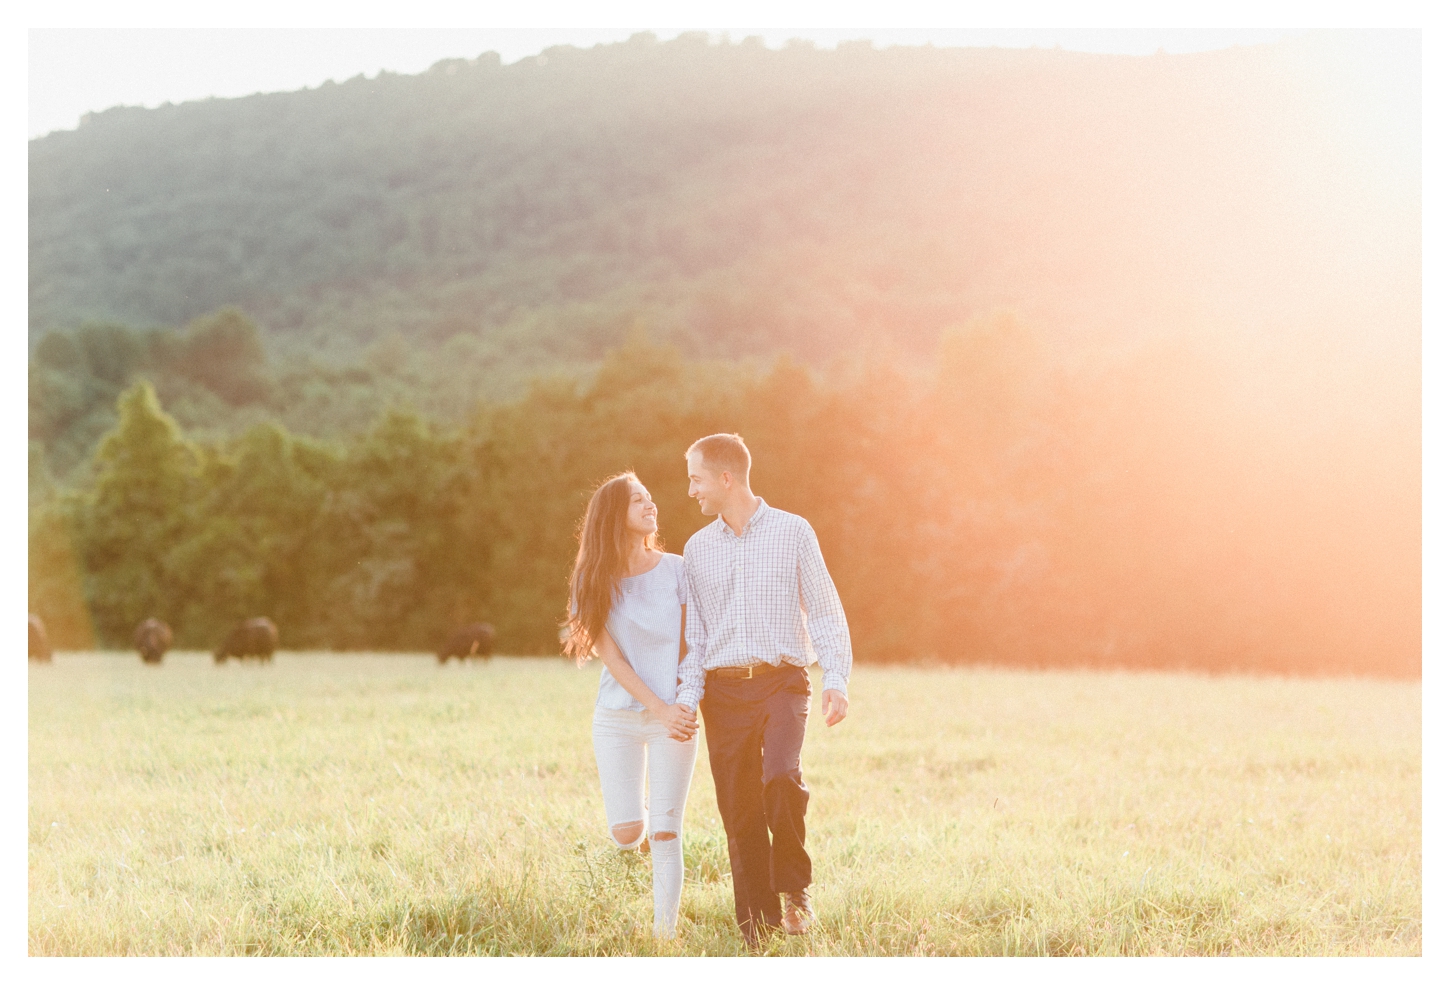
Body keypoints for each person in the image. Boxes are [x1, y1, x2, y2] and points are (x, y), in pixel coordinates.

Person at [675, 433, 852, 947]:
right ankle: (759, 930)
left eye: (696, 478)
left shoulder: (794, 531)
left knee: (779, 777)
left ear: (725, 478)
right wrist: (687, 702)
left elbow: (823, 609)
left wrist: (836, 680)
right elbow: (698, 637)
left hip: (781, 681)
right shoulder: (696, 549)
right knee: (739, 809)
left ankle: (795, 888)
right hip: (722, 693)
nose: (691, 491)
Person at [563, 471, 700, 939]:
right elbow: (612, 658)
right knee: (627, 833)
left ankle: (665, 935)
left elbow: (693, 645)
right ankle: (639, 818)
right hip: (617, 718)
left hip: (675, 719)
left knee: (666, 831)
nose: (651, 504)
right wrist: (656, 708)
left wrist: (679, 705)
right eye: (637, 499)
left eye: (649, 496)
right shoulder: (592, 578)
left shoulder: (679, 569)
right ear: (612, 515)